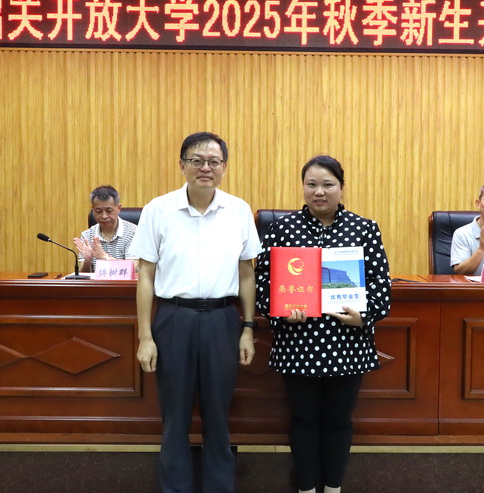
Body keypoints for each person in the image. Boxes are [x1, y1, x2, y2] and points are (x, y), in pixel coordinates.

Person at [131, 132, 261, 493]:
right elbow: (146, 275)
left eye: (213, 162)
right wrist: (145, 337)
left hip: (222, 320)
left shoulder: (238, 210)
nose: (205, 168)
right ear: (182, 165)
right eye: (197, 160)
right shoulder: (158, 210)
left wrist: (248, 328)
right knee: (175, 415)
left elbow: (246, 273)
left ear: (224, 167)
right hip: (174, 319)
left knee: (218, 414)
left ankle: (220, 486)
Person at [255, 155, 392, 493]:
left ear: (341, 188)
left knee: (338, 421)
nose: (319, 192)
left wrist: (365, 316)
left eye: (328, 184)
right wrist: (280, 311)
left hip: (348, 343)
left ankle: (332, 488)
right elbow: (262, 282)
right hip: (298, 341)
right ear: (303, 187)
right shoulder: (282, 229)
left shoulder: (364, 228)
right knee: (302, 420)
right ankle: (305, 487)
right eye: (311, 184)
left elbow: (380, 283)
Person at [73, 185, 137, 272]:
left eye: (109, 211)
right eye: (98, 211)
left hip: (123, 281)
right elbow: (82, 275)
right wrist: (87, 261)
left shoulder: (133, 232)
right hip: (97, 281)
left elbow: (132, 269)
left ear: (119, 208)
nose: (104, 216)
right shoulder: (87, 235)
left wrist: (104, 257)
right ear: (93, 209)